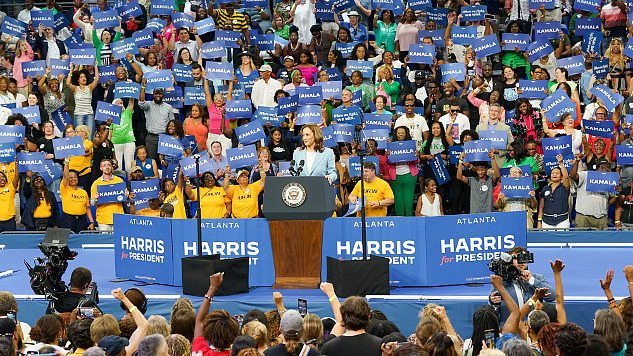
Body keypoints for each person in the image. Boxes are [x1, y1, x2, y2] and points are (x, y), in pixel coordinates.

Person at [488, 246, 555, 319]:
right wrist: (494, 305)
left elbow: (553, 296)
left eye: (524, 258)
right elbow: (492, 315)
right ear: (509, 260)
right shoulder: (500, 283)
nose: (521, 261)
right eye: (516, 258)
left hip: (533, 328)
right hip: (510, 328)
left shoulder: (537, 278)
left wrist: (531, 280)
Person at [193, 273, 240, 356]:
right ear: (234, 336)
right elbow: (199, 321)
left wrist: (212, 288)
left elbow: (199, 321)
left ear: (208, 336)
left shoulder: (201, 351)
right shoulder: (241, 354)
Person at [570, 155, 619, 230]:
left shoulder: (610, 181)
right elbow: (573, 175)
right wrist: (577, 161)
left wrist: (617, 194)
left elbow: (610, 202)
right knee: (580, 241)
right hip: (583, 217)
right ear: (597, 167)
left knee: (600, 241)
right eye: (604, 166)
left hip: (601, 219)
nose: (607, 169)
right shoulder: (586, 175)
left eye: (609, 167)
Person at [388, 126, 419, 216]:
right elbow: (388, 162)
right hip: (395, 176)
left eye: (402, 133)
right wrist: (388, 155)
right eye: (398, 133)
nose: (400, 134)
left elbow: (416, 161)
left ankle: (410, 220)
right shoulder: (391, 146)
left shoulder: (411, 145)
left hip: (410, 175)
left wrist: (416, 155)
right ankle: (400, 221)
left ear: (406, 134)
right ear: (395, 134)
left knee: (408, 200)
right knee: (398, 200)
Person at [139, 84, 174, 161]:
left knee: (166, 160)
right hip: (152, 138)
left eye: (160, 93)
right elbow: (141, 102)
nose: (158, 95)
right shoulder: (148, 105)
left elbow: (172, 123)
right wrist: (143, 87)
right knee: (151, 161)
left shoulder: (168, 107)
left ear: (163, 94)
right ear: (153, 94)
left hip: (165, 137)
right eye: (156, 93)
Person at [60, 159, 95, 233]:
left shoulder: (83, 192)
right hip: (68, 220)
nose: (73, 179)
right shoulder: (65, 188)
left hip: (81, 221)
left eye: (75, 177)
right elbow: (65, 177)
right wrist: (66, 163)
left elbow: (87, 208)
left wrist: (91, 222)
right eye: (71, 177)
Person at [66, 62, 100, 138]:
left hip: (89, 115)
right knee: (78, 137)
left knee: (90, 136)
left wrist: (95, 67)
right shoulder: (75, 88)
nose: (84, 78)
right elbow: (68, 83)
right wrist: (71, 70)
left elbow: (97, 80)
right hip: (78, 115)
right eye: (81, 77)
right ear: (78, 80)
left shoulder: (89, 87)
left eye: (84, 77)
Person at [537, 154, 571, 229]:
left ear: (561, 176)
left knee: (562, 240)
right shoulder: (545, 188)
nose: (554, 174)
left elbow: (566, 177)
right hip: (546, 221)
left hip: (562, 221)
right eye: (552, 173)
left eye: (557, 173)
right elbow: (541, 207)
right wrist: (539, 221)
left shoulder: (564, 187)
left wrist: (561, 164)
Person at [91, 159, 125, 231]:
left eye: (109, 165)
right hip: (103, 220)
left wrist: (127, 195)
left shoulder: (119, 181)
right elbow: (92, 203)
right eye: (104, 165)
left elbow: (125, 199)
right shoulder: (96, 183)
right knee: (105, 242)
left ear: (112, 167)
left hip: (118, 218)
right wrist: (95, 198)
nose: (107, 167)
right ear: (101, 168)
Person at [0, 161, 20, 233]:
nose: (2, 179)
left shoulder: (10, 188)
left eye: (3, 177)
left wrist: (17, 164)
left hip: (9, 222)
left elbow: (16, 177)